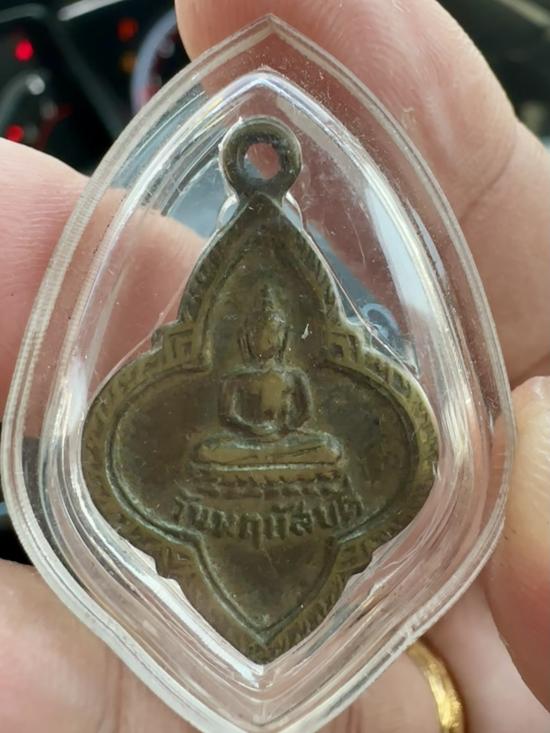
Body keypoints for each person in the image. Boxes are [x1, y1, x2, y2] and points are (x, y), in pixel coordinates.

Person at [0, 0, 549, 730]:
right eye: (256, 331)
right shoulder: (231, 374)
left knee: (322, 449)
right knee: (214, 451)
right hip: (231, 465)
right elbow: (230, 432)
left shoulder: (293, 371)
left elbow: (298, 428)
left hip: (297, 463)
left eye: (272, 331)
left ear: (285, 332)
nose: (262, 340)